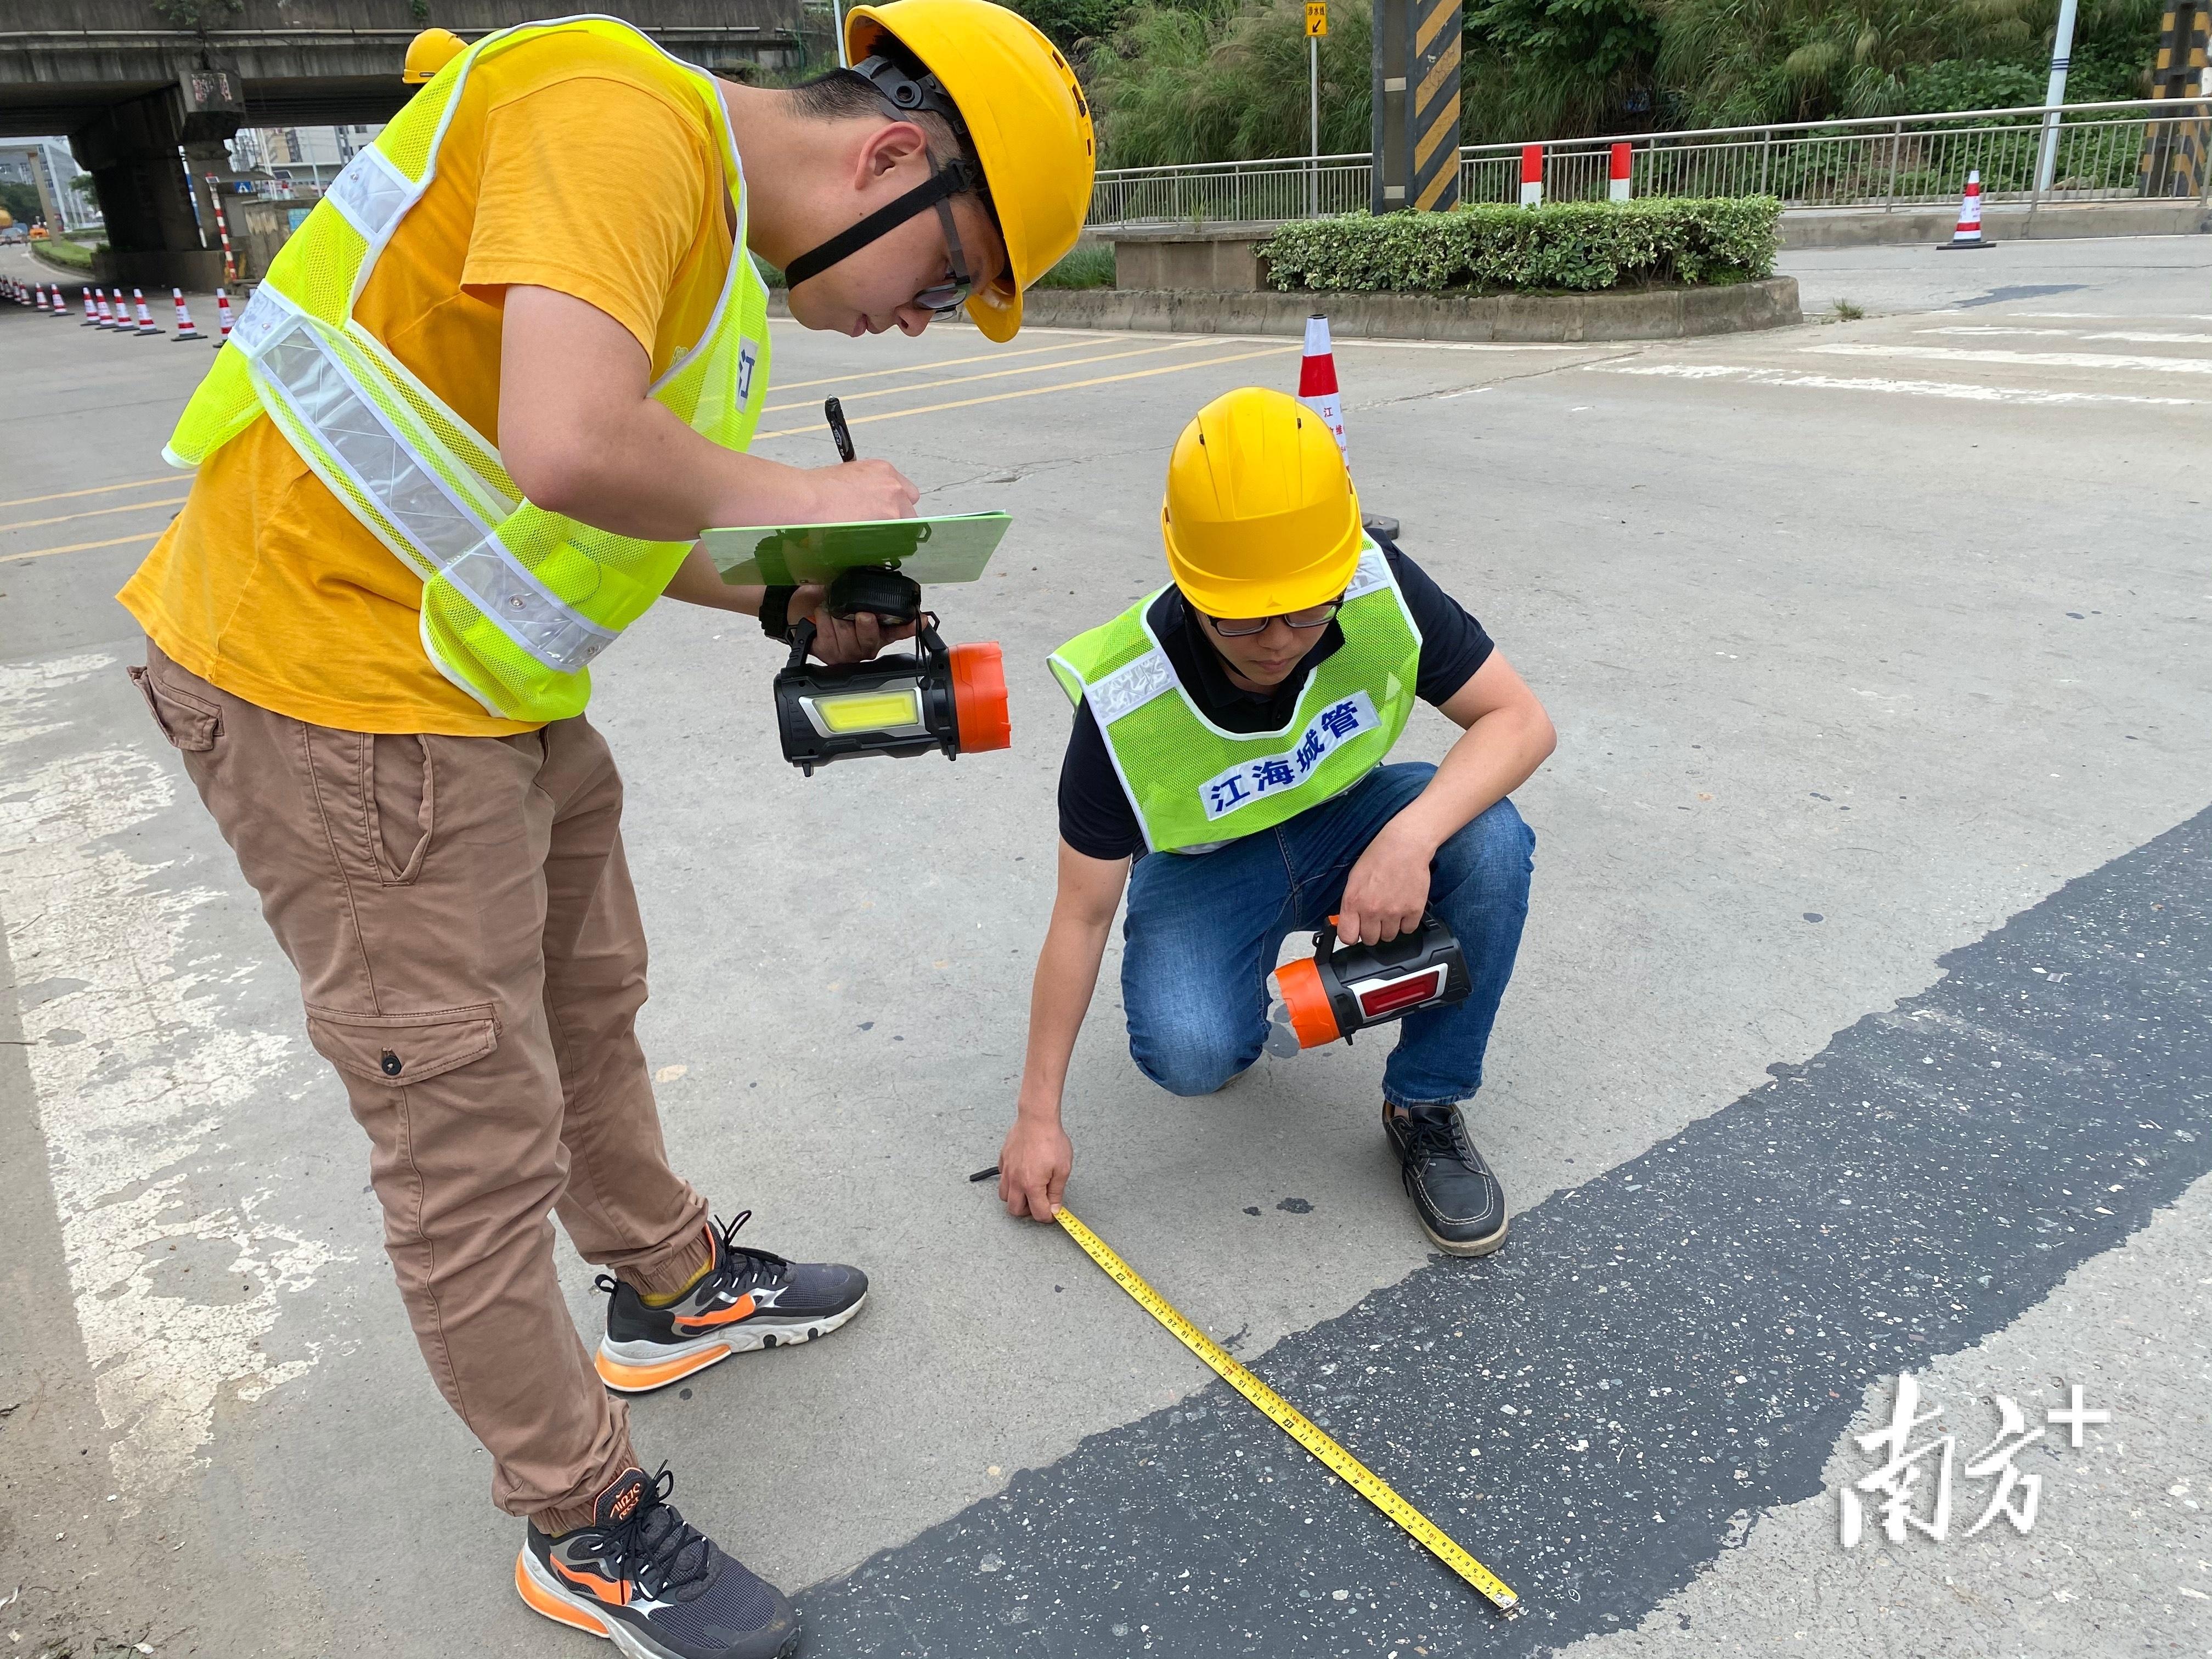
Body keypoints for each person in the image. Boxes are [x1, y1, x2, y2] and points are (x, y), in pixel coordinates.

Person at [117, 6, 1092, 1656]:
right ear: (892, 159)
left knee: (588, 1008)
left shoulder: (706, 239)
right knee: (468, 1138)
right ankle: (580, 1519)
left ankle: (665, 1278)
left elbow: (610, 506)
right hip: (336, 688)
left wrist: (786, 598)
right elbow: (565, 440)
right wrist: (806, 502)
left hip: (478, 685)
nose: (918, 327)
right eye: (941, 284)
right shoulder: (618, 115)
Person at [995, 386, 1556, 1255]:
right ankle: (1244, 969)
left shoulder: (1373, 584)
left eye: (1305, 605)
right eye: (1242, 615)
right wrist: (1037, 1119)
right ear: (1189, 577)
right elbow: (1081, 913)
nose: (1278, 638)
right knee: (1192, 1055)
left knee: (1490, 841)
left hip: (1352, 820)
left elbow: (1519, 721)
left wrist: (1408, 839)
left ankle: (1426, 1103)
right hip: (1209, 864)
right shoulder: (1124, 699)